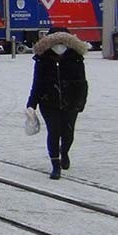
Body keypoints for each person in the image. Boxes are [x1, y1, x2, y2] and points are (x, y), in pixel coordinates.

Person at [27, 27, 89, 180]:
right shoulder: (43, 59)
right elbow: (37, 83)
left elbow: (82, 83)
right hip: (49, 101)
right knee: (54, 132)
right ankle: (55, 165)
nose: (59, 46)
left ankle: (64, 152)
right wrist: (31, 104)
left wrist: (81, 102)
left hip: (71, 101)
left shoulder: (75, 58)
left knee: (68, 133)